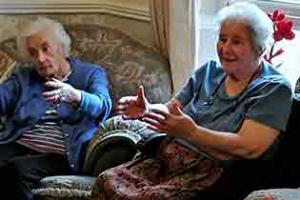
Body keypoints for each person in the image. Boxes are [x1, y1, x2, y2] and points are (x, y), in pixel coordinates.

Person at [91, 2, 292, 200]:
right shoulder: (209, 71)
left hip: (211, 172)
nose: (225, 48)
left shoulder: (273, 88)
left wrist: (192, 132)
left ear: (259, 48)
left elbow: (249, 147)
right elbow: (172, 109)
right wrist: (148, 109)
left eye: (236, 42)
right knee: (106, 181)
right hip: (165, 158)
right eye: (223, 39)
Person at [0, 17, 112, 200]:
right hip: (17, 146)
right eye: (33, 53)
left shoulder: (90, 73)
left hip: (60, 156)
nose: (40, 58)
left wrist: (75, 95)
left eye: (45, 48)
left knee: (15, 170)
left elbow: (103, 105)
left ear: (61, 46)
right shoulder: (25, 77)